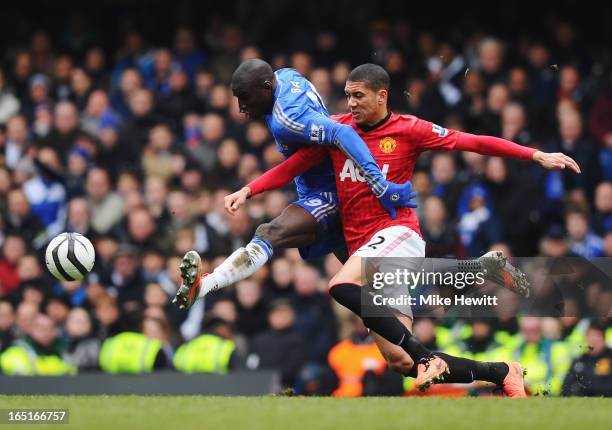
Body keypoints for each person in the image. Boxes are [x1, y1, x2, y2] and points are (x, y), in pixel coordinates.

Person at [222, 64, 581, 395]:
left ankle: (431, 351)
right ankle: (502, 372)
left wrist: (534, 154)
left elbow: (472, 141)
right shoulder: (339, 130)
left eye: (358, 95)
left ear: (382, 95)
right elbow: (297, 164)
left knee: (341, 285)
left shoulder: (410, 129)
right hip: (364, 245)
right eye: (347, 95)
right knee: (401, 362)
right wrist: (249, 189)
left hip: (397, 232)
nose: (351, 103)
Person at [173, 59, 418, 310]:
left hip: (332, 192)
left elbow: (341, 134)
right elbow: (306, 157)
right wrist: (249, 189)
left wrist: (378, 184)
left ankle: (205, 285)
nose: (241, 107)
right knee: (374, 297)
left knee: (269, 234)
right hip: (325, 189)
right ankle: (414, 345)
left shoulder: (287, 117)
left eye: (244, 97)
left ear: (266, 87)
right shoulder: (286, 76)